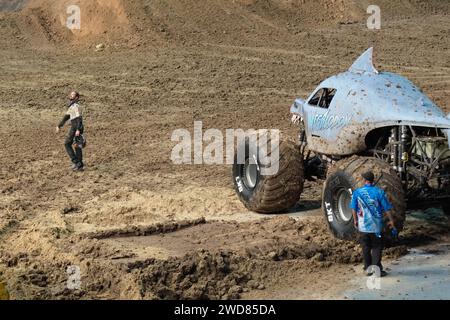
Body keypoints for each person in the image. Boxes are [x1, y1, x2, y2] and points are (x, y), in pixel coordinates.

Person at [350, 171, 396, 277]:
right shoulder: (379, 192)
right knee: (376, 247)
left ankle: (368, 268)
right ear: (373, 181)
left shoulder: (357, 192)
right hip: (376, 227)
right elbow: (387, 208)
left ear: (365, 180)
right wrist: (391, 221)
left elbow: (353, 208)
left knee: (366, 247)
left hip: (363, 226)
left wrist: (355, 220)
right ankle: (377, 270)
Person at [56, 91, 85, 171]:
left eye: (73, 95)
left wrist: (78, 129)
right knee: (71, 144)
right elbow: (66, 117)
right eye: (71, 94)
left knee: (74, 145)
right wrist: (59, 125)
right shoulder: (71, 107)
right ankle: (78, 164)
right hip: (73, 127)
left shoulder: (77, 106)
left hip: (77, 127)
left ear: (76, 98)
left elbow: (79, 118)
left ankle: (78, 164)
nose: (71, 96)